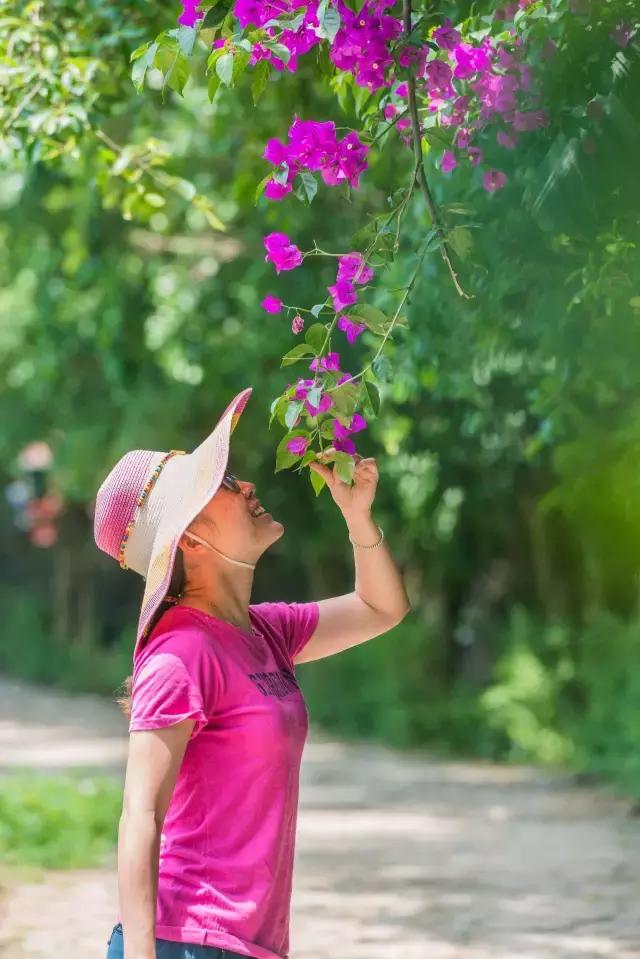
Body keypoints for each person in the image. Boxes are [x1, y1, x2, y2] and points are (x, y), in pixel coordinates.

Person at [94, 386, 411, 959]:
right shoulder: (181, 653)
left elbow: (381, 607)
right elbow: (140, 814)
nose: (248, 485)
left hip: (245, 944)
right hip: (186, 941)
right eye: (224, 485)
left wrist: (357, 517)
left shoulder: (266, 633)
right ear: (190, 538)